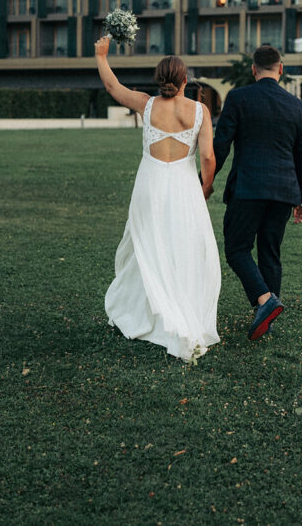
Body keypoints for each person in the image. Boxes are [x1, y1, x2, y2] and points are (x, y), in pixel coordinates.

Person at [95, 36, 221, 362]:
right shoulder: (199, 111)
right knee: (184, 247)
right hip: (184, 187)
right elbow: (208, 157)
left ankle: (146, 311)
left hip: (149, 185)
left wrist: (102, 56)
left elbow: (112, 86)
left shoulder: (146, 104)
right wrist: (206, 187)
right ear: (184, 80)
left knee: (147, 244)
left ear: (158, 79)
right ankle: (178, 306)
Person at [210, 45, 302, 341]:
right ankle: (268, 313)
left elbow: (221, 145)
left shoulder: (238, 98)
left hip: (248, 187)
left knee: (236, 249)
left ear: (253, 69)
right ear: (281, 68)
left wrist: (204, 181)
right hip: (284, 191)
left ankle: (265, 302)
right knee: (270, 252)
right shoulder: (298, 106)